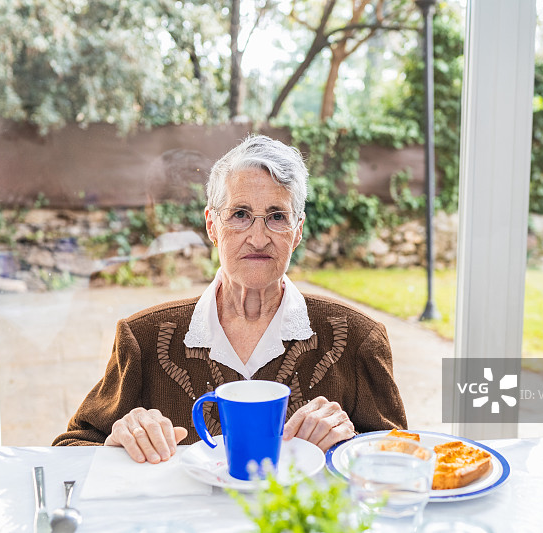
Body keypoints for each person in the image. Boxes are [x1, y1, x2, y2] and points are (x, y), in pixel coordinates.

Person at [53, 135, 407, 463]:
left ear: (297, 231)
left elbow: (404, 460)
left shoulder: (358, 339)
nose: (258, 237)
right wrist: (119, 441)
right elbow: (67, 449)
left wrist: (348, 444)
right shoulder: (143, 339)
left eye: (276, 217)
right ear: (212, 226)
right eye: (240, 215)